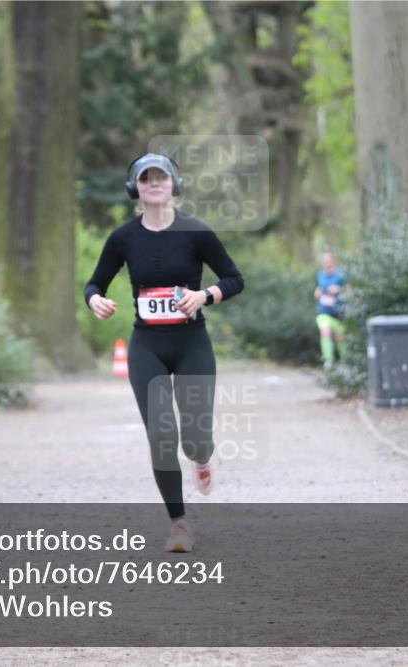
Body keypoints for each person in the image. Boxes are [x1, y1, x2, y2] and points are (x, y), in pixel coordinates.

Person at [84, 153, 245, 553]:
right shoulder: (123, 238)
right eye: (146, 179)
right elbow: (94, 285)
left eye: (161, 177)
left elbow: (234, 278)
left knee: (194, 438)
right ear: (134, 188)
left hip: (192, 344)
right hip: (147, 347)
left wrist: (205, 295)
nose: (154, 183)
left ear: (174, 184)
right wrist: (95, 303)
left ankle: (203, 458)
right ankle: (179, 525)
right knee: (160, 435)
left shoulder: (197, 232)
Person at [315, 251, 348, 370]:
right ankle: (328, 362)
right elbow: (319, 288)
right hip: (323, 311)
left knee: (340, 337)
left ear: (334, 261)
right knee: (325, 330)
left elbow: (351, 290)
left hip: (339, 313)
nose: (327, 263)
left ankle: (345, 362)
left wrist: (339, 290)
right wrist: (317, 292)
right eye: (324, 260)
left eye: (329, 260)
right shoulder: (320, 275)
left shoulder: (341, 275)